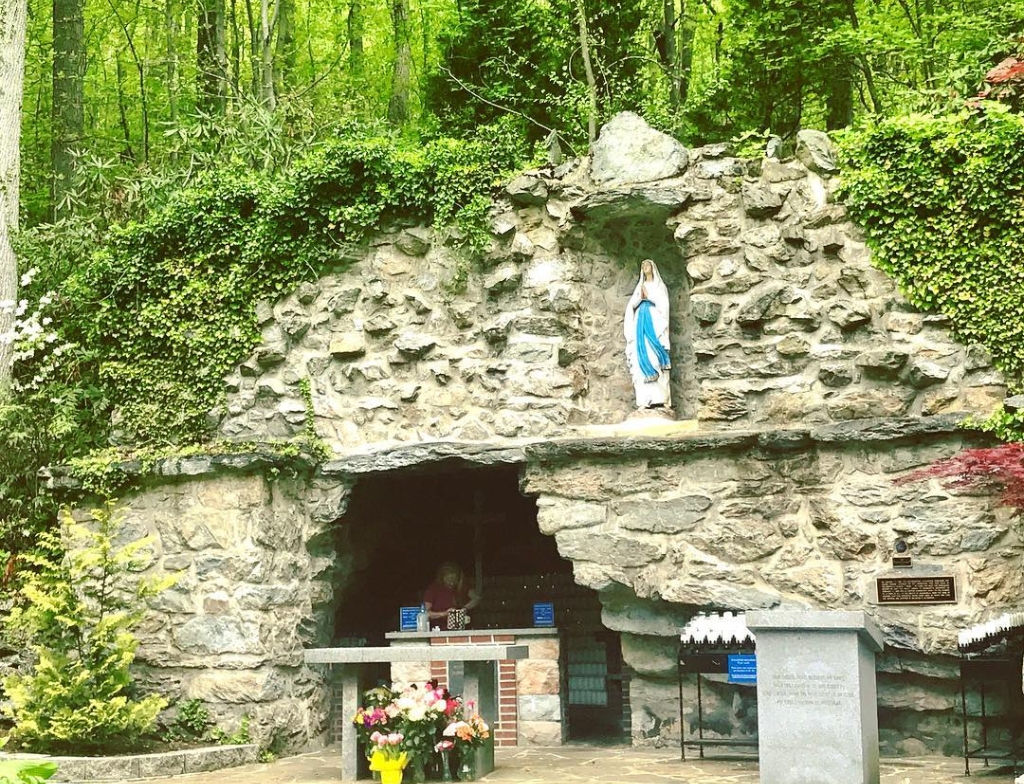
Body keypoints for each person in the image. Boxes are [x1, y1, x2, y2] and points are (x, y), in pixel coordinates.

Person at [624, 259, 671, 409]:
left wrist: (650, 297)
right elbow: (631, 306)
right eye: (642, 266)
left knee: (655, 358)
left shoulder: (659, 286)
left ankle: (662, 398)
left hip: (654, 324)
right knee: (640, 359)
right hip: (641, 325)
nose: (645, 268)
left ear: (652, 268)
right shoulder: (640, 287)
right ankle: (644, 399)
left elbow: (664, 305)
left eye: (647, 265)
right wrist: (640, 298)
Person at [422, 562, 480, 630]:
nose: (451, 582)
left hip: (457, 630)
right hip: (437, 630)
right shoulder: (433, 589)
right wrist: (444, 613)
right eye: (448, 579)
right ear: (442, 577)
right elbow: (425, 614)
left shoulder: (459, 588)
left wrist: (464, 608)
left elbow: (477, 598)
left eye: (454, 580)